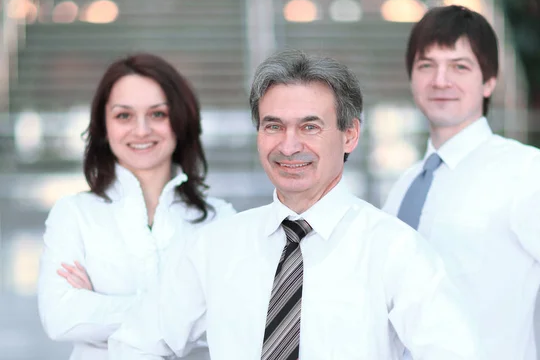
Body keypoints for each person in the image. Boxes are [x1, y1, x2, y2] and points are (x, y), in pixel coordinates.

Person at [108, 49, 480, 359]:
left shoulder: (396, 251)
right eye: (273, 126)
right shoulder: (214, 248)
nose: (288, 146)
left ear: (350, 135)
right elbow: (133, 346)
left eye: (310, 127)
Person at [383, 5, 540, 360]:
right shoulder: (406, 183)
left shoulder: (524, 172)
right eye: (427, 65)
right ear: (412, 77)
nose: (440, 80)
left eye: (459, 66)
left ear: (489, 81)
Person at [37, 53, 236, 360]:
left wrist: (97, 305)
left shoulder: (220, 220)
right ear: (104, 126)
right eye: (124, 116)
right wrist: (189, 310)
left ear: (180, 120)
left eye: (157, 114)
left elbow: (231, 322)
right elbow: (61, 318)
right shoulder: (73, 214)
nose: (141, 130)